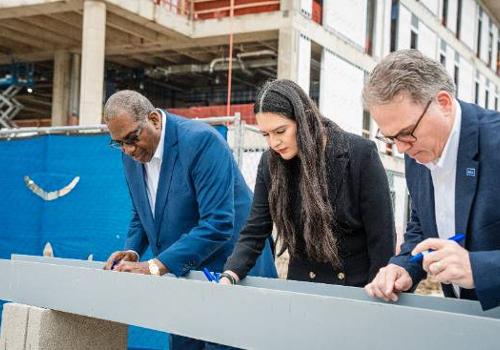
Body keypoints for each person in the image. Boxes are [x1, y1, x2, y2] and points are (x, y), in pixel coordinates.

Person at [102, 90, 277, 350]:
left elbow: (218, 223)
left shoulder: (201, 142)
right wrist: (133, 251)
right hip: (183, 276)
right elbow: (142, 213)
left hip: (230, 273)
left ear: (154, 119)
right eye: (119, 143)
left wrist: (155, 266)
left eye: (132, 138)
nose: (128, 149)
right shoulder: (132, 157)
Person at [219, 79, 395, 288]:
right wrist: (230, 274)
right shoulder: (270, 163)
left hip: (355, 288)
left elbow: (382, 238)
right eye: (266, 135)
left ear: (303, 120)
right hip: (302, 287)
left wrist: (377, 295)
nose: (274, 143)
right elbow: (255, 230)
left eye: (280, 131)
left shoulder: (360, 154)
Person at [363, 49, 500, 311]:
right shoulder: (417, 149)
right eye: (391, 138)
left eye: (406, 133)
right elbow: (423, 222)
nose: (401, 149)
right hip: (466, 321)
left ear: (444, 104)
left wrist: (480, 269)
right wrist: (404, 265)